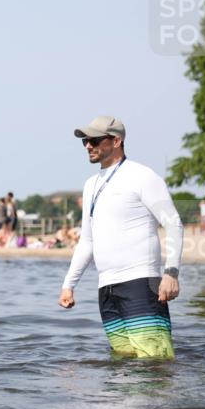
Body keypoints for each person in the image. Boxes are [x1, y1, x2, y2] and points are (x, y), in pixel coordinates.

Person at [58, 116, 184, 358]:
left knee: (154, 364)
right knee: (123, 366)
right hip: (107, 288)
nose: (87, 146)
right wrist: (68, 285)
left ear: (116, 141)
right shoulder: (90, 185)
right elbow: (87, 240)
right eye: (85, 140)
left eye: (94, 140)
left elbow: (174, 224)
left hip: (140, 283)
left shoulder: (142, 176)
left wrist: (171, 273)